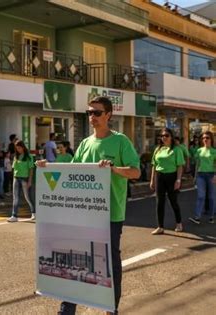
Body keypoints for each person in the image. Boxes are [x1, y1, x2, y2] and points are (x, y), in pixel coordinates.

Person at [37, 96, 140, 315]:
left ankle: (111, 307)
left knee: (109, 262)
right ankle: (67, 309)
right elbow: (72, 175)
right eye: (89, 112)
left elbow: (136, 172)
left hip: (110, 215)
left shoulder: (121, 141)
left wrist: (113, 169)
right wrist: (47, 168)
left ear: (108, 115)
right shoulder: (85, 143)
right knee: (73, 260)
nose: (92, 116)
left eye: (96, 112)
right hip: (83, 214)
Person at [150, 128, 185, 235]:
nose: (164, 137)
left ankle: (179, 223)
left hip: (172, 176)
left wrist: (178, 180)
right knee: (160, 202)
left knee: (173, 201)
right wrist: (152, 180)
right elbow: (154, 165)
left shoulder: (177, 149)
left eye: (167, 135)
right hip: (160, 176)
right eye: (162, 136)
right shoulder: (158, 149)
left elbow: (179, 166)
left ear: (171, 137)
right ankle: (160, 227)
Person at [189, 131, 216, 225]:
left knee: (212, 197)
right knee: (201, 196)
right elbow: (197, 164)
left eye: (207, 138)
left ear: (211, 139)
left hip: (211, 175)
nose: (205, 139)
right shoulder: (199, 150)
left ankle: (211, 216)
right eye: (204, 138)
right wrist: (195, 176)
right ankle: (197, 217)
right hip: (201, 175)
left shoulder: (214, 151)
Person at [7, 140, 35, 222]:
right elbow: (14, 168)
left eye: (19, 148)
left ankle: (34, 213)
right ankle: (14, 215)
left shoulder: (29, 156)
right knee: (15, 197)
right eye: (17, 148)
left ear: (23, 147)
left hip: (25, 178)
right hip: (16, 178)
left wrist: (30, 181)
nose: (18, 149)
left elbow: (31, 169)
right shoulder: (16, 156)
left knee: (27, 197)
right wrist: (13, 179)